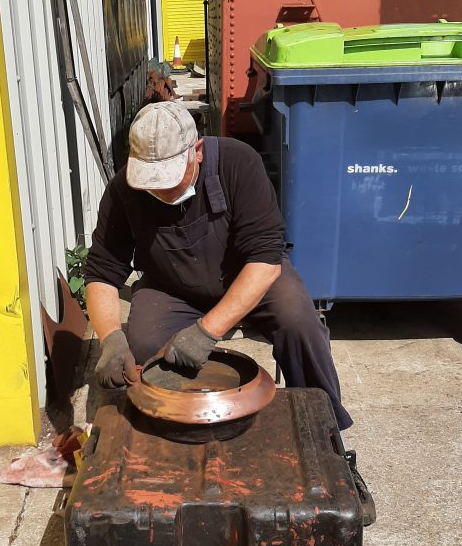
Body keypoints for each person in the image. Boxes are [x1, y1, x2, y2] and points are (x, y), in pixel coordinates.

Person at [84, 100, 352, 433]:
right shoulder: (123, 190)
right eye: (149, 180)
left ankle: (324, 426)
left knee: (299, 322)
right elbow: (101, 273)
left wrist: (205, 332)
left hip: (249, 274)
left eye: (168, 177)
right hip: (170, 286)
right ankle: (176, 428)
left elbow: (266, 261)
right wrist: (110, 337)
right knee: (144, 344)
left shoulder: (239, 162)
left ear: (196, 151)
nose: (159, 189)